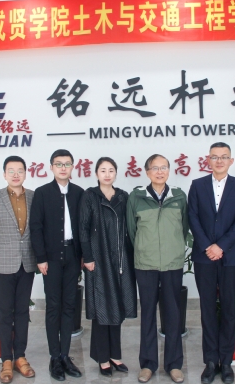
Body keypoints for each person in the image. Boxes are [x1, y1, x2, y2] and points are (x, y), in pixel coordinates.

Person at [188, 142, 235, 384]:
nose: (220, 161)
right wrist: (208, 246)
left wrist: (221, 246)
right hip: (204, 256)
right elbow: (193, 217)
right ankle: (210, 361)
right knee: (206, 309)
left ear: (231, 161)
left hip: (230, 255)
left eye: (224, 157)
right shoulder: (197, 185)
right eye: (215, 157)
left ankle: (226, 362)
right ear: (208, 160)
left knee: (228, 308)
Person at [126, 154, 189, 384]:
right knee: (148, 314)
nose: (160, 172)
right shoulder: (136, 197)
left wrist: (174, 249)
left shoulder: (179, 197)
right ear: (147, 172)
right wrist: (144, 249)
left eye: (164, 167)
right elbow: (132, 231)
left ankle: (174, 364)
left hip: (172, 263)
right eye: (155, 168)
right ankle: (148, 364)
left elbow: (183, 229)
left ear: (169, 171)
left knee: (173, 314)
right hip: (146, 263)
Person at [0, 155, 37, 384]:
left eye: (20, 170)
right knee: (4, 312)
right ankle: (6, 360)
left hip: (27, 263)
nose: (15, 174)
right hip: (4, 264)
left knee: (22, 311)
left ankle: (20, 357)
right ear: (4, 174)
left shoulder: (33, 197)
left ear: (26, 173)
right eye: (11, 171)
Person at [29, 149, 85, 382]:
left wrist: (83, 255)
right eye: (59, 164)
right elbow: (36, 227)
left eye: (67, 164)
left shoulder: (79, 193)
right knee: (53, 306)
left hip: (73, 255)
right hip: (50, 258)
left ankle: (65, 356)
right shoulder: (42, 193)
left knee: (69, 306)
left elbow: (83, 227)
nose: (63, 168)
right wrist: (41, 258)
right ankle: (54, 357)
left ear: (73, 167)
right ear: (51, 167)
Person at [79, 157, 137, 377]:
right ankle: (103, 357)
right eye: (103, 170)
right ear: (96, 174)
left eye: (111, 170)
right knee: (102, 307)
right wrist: (88, 257)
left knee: (118, 306)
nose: (107, 174)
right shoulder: (90, 196)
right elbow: (83, 229)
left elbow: (130, 227)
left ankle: (115, 355)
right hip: (99, 258)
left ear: (116, 173)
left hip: (121, 260)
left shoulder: (123, 196)